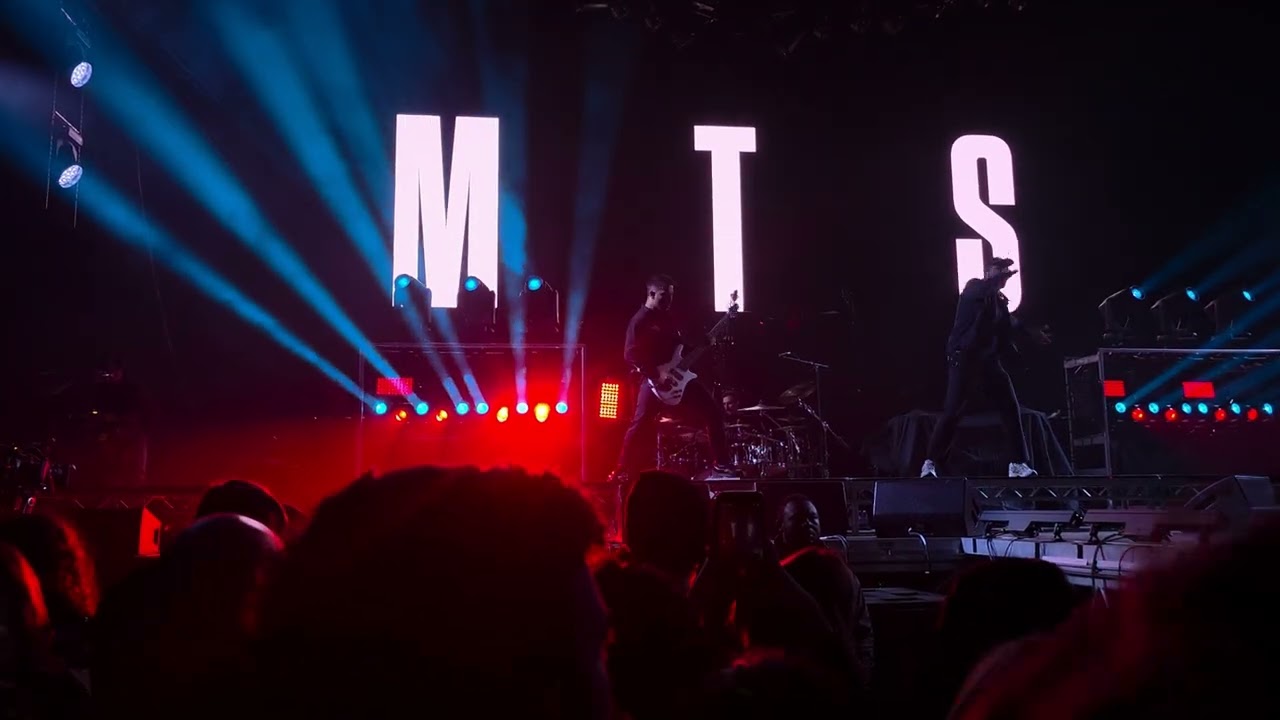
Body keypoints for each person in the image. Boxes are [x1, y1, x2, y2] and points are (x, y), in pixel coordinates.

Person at [921, 257, 1050, 479]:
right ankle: (930, 464)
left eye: (1006, 274)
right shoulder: (974, 288)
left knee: (1010, 408)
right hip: (964, 360)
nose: (1004, 278)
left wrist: (1033, 333)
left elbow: (1012, 323)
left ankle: (1018, 464)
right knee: (952, 412)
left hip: (988, 362)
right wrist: (999, 275)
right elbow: (985, 290)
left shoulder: (999, 301)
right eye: (1000, 272)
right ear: (989, 272)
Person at [612, 275, 731, 479]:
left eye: (672, 296)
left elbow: (680, 349)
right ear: (651, 294)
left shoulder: (667, 318)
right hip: (653, 382)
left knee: (713, 412)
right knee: (639, 425)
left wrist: (703, 345)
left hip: (680, 377)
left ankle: (722, 465)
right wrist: (656, 373)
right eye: (664, 296)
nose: (669, 301)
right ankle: (621, 471)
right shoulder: (639, 320)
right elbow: (630, 354)